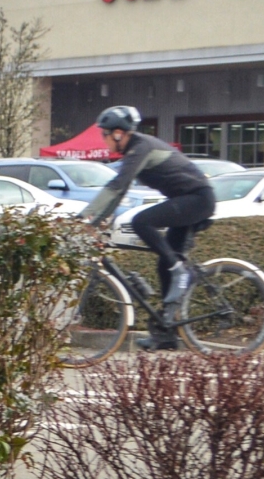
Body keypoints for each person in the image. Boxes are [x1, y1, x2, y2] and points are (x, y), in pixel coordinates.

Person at [77, 105, 214, 350]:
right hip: (185, 201)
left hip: (198, 200)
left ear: (118, 133)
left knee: (141, 222)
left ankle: (181, 270)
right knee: (164, 263)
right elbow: (120, 192)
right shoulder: (135, 151)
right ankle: (166, 333)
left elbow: (117, 185)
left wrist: (83, 219)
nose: (104, 140)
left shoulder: (141, 147)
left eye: (105, 134)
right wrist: (96, 222)